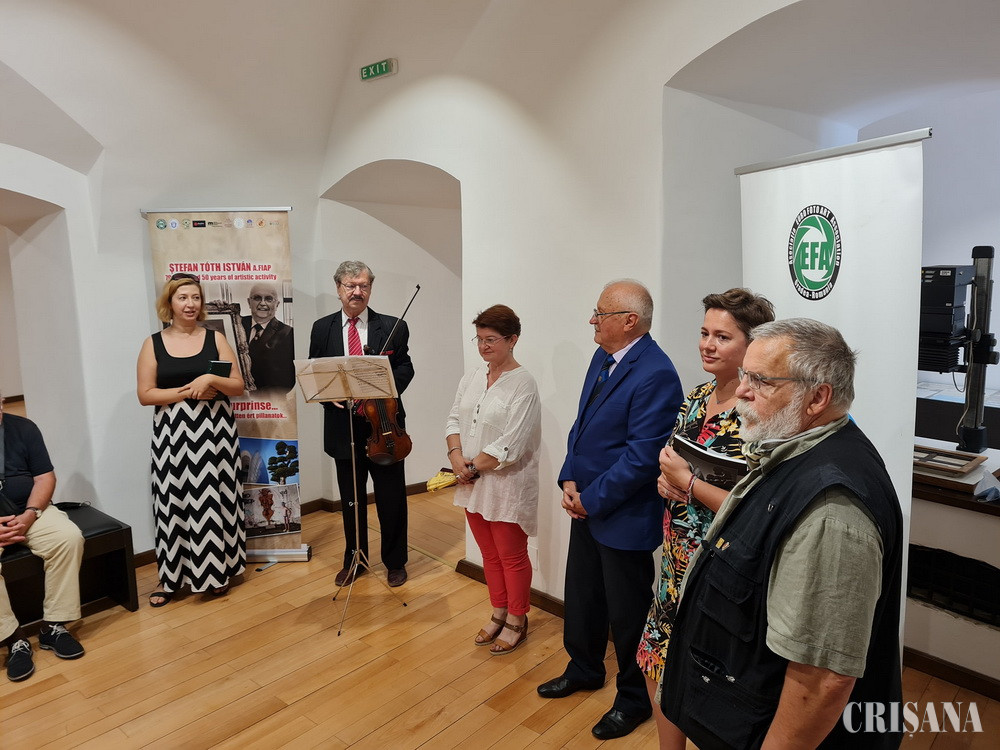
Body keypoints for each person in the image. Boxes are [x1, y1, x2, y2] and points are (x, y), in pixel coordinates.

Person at [660, 319, 904, 749]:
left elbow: (822, 679)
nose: (741, 390)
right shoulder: (794, 449)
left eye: (761, 381)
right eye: (745, 375)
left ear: (817, 397)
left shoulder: (831, 510)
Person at [537, 280, 683, 741]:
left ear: (629, 321)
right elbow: (581, 427)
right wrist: (569, 478)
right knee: (583, 596)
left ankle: (634, 699)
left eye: (600, 313)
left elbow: (643, 457)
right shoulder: (604, 356)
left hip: (622, 515)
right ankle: (584, 668)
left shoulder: (657, 373)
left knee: (628, 614)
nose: (592, 320)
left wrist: (591, 499)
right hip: (587, 504)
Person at [636, 288, 774, 750]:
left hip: (721, 570)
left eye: (722, 336)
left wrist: (690, 485)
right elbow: (673, 462)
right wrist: (667, 482)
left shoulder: (759, 412)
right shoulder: (696, 397)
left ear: (751, 345)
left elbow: (759, 505)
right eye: (704, 333)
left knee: (711, 679)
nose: (707, 345)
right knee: (656, 660)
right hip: (676, 561)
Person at [136, 273, 247, 607]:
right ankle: (171, 578)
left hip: (216, 433)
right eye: (182, 297)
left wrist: (210, 377)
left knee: (216, 500)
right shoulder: (153, 343)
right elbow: (145, 394)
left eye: (195, 297)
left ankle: (218, 571)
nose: (190, 304)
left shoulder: (215, 338)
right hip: (172, 435)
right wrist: (189, 391)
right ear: (169, 303)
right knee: (172, 502)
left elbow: (237, 385)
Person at [308, 260, 415, 588]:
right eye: (351, 286)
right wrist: (327, 396)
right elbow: (315, 372)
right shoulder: (322, 328)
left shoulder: (394, 326)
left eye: (364, 285)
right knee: (352, 500)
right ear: (338, 288)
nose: (357, 291)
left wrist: (383, 387)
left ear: (370, 288)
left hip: (384, 426)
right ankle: (355, 559)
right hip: (343, 428)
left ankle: (395, 562)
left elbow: (405, 367)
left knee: (391, 499)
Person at [445, 305, 541, 655]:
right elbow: (454, 419)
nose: (483, 347)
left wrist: (470, 468)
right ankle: (498, 611)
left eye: (491, 340)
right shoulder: (472, 377)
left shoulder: (524, 383)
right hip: (471, 481)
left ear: (512, 339)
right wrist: (455, 456)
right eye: (479, 339)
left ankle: (517, 618)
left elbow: (511, 445)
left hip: (506, 484)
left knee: (511, 556)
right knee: (489, 554)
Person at [0, 392, 85, 681]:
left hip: (29, 510)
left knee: (68, 538)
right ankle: (13, 638)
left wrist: (30, 514)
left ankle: (53, 625)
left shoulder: (24, 428)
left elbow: (45, 477)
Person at [240, 282, 295, 393]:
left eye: (269, 299)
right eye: (257, 298)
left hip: (268, 400)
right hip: (234, 397)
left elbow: (287, 380)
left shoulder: (287, 333)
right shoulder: (236, 324)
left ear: (277, 304)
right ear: (249, 302)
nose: (262, 303)